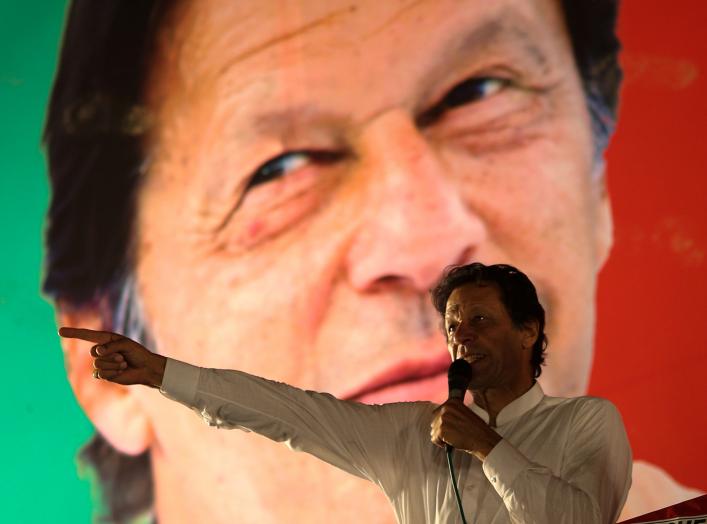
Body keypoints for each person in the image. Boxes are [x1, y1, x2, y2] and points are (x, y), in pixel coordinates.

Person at [44, 0, 699, 522]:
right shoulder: (390, 440)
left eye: (477, 93)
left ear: (597, 189)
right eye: (277, 170)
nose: (426, 245)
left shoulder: (588, 432)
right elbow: (270, 409)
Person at [61, 262, 633, 523]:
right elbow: (288, 413)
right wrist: (161, 372)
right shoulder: (414, 431)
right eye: (453, 325)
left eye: (480, 320)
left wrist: (487, 445)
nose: (461, 335)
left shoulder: (586, 422)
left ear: (529, 329)